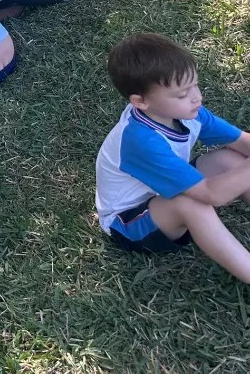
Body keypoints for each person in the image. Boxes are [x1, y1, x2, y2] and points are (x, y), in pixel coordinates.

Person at [96, 33, 250, 281]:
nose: (196, 97)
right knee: (191, 204)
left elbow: (242, 141)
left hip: (161, 194)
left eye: (195, 85)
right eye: (181, 94)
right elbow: (213, 195)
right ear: (141, 101)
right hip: (129, 222)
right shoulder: (140, 140)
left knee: (229, 160)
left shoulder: (189, 111)